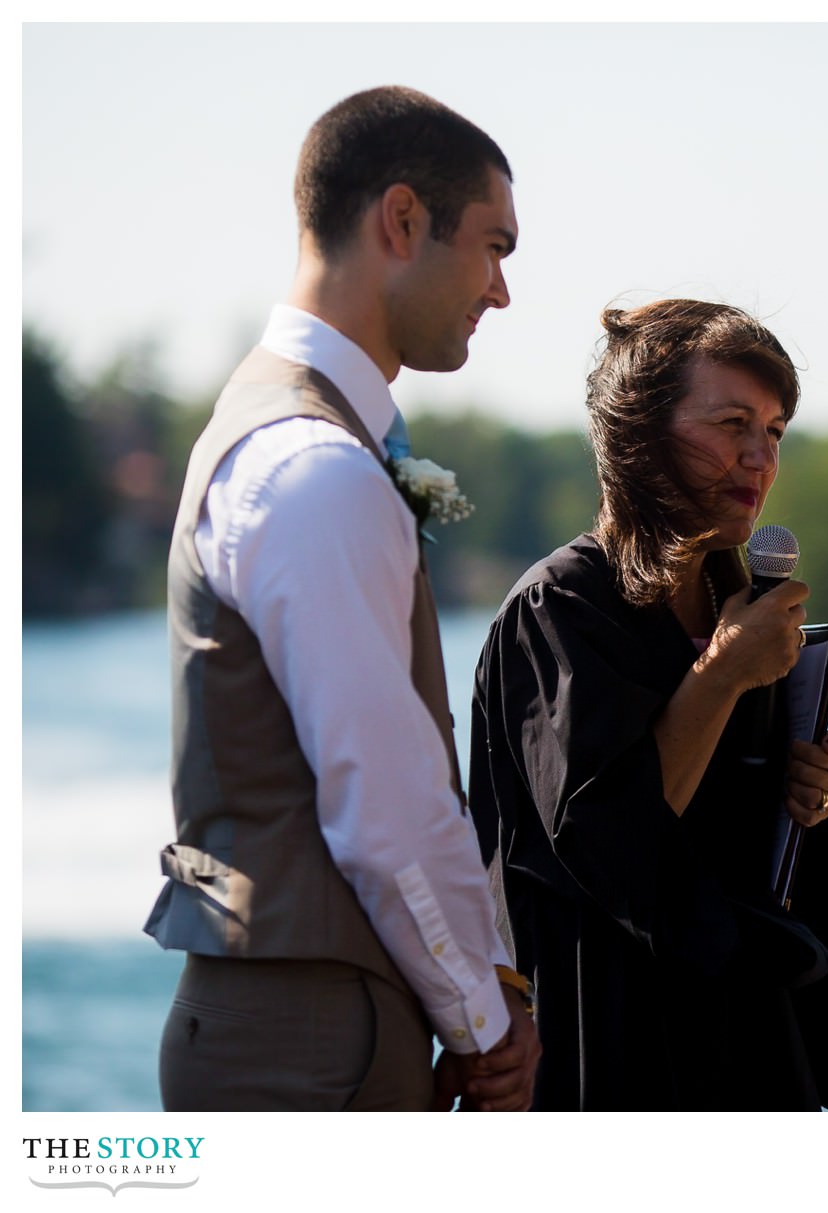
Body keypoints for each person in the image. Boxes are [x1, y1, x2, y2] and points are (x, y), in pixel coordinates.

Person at [145, 86, 540, 1112]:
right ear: (402, 220)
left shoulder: (271, 425)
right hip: (312, 1044)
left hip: (293, 1020)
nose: (501, 290)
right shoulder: (314, 467)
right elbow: (387, 801)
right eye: (493, 246)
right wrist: (485, 1017)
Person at [468, 299, 828, 1110]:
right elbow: (613, 845)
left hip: (743, 1052)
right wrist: (719, 676)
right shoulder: (562, 610)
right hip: (608, 1051)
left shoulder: (741, 605)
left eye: (776, 430)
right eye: (732, 423)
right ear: (641, 434)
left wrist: (815, 801)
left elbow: (759, 857)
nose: (759, 457)